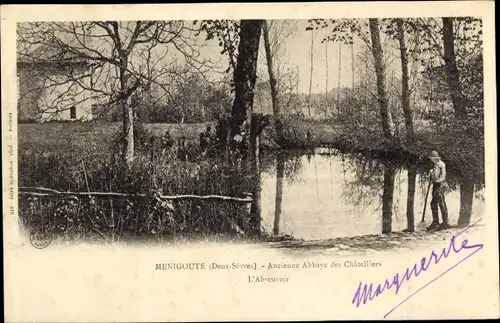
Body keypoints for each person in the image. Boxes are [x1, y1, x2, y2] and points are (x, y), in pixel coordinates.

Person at [426, 151, 451, 231]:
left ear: (434, 158)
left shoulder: (440, 164)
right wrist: (431, 174)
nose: (431, 160)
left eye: (432, 159)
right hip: (437, 185)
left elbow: (440, 176)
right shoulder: (437, 165)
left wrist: (431, 174)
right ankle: (436, 222)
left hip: (440, 185)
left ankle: (445, 222)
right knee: (434, 203)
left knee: (441, 203)